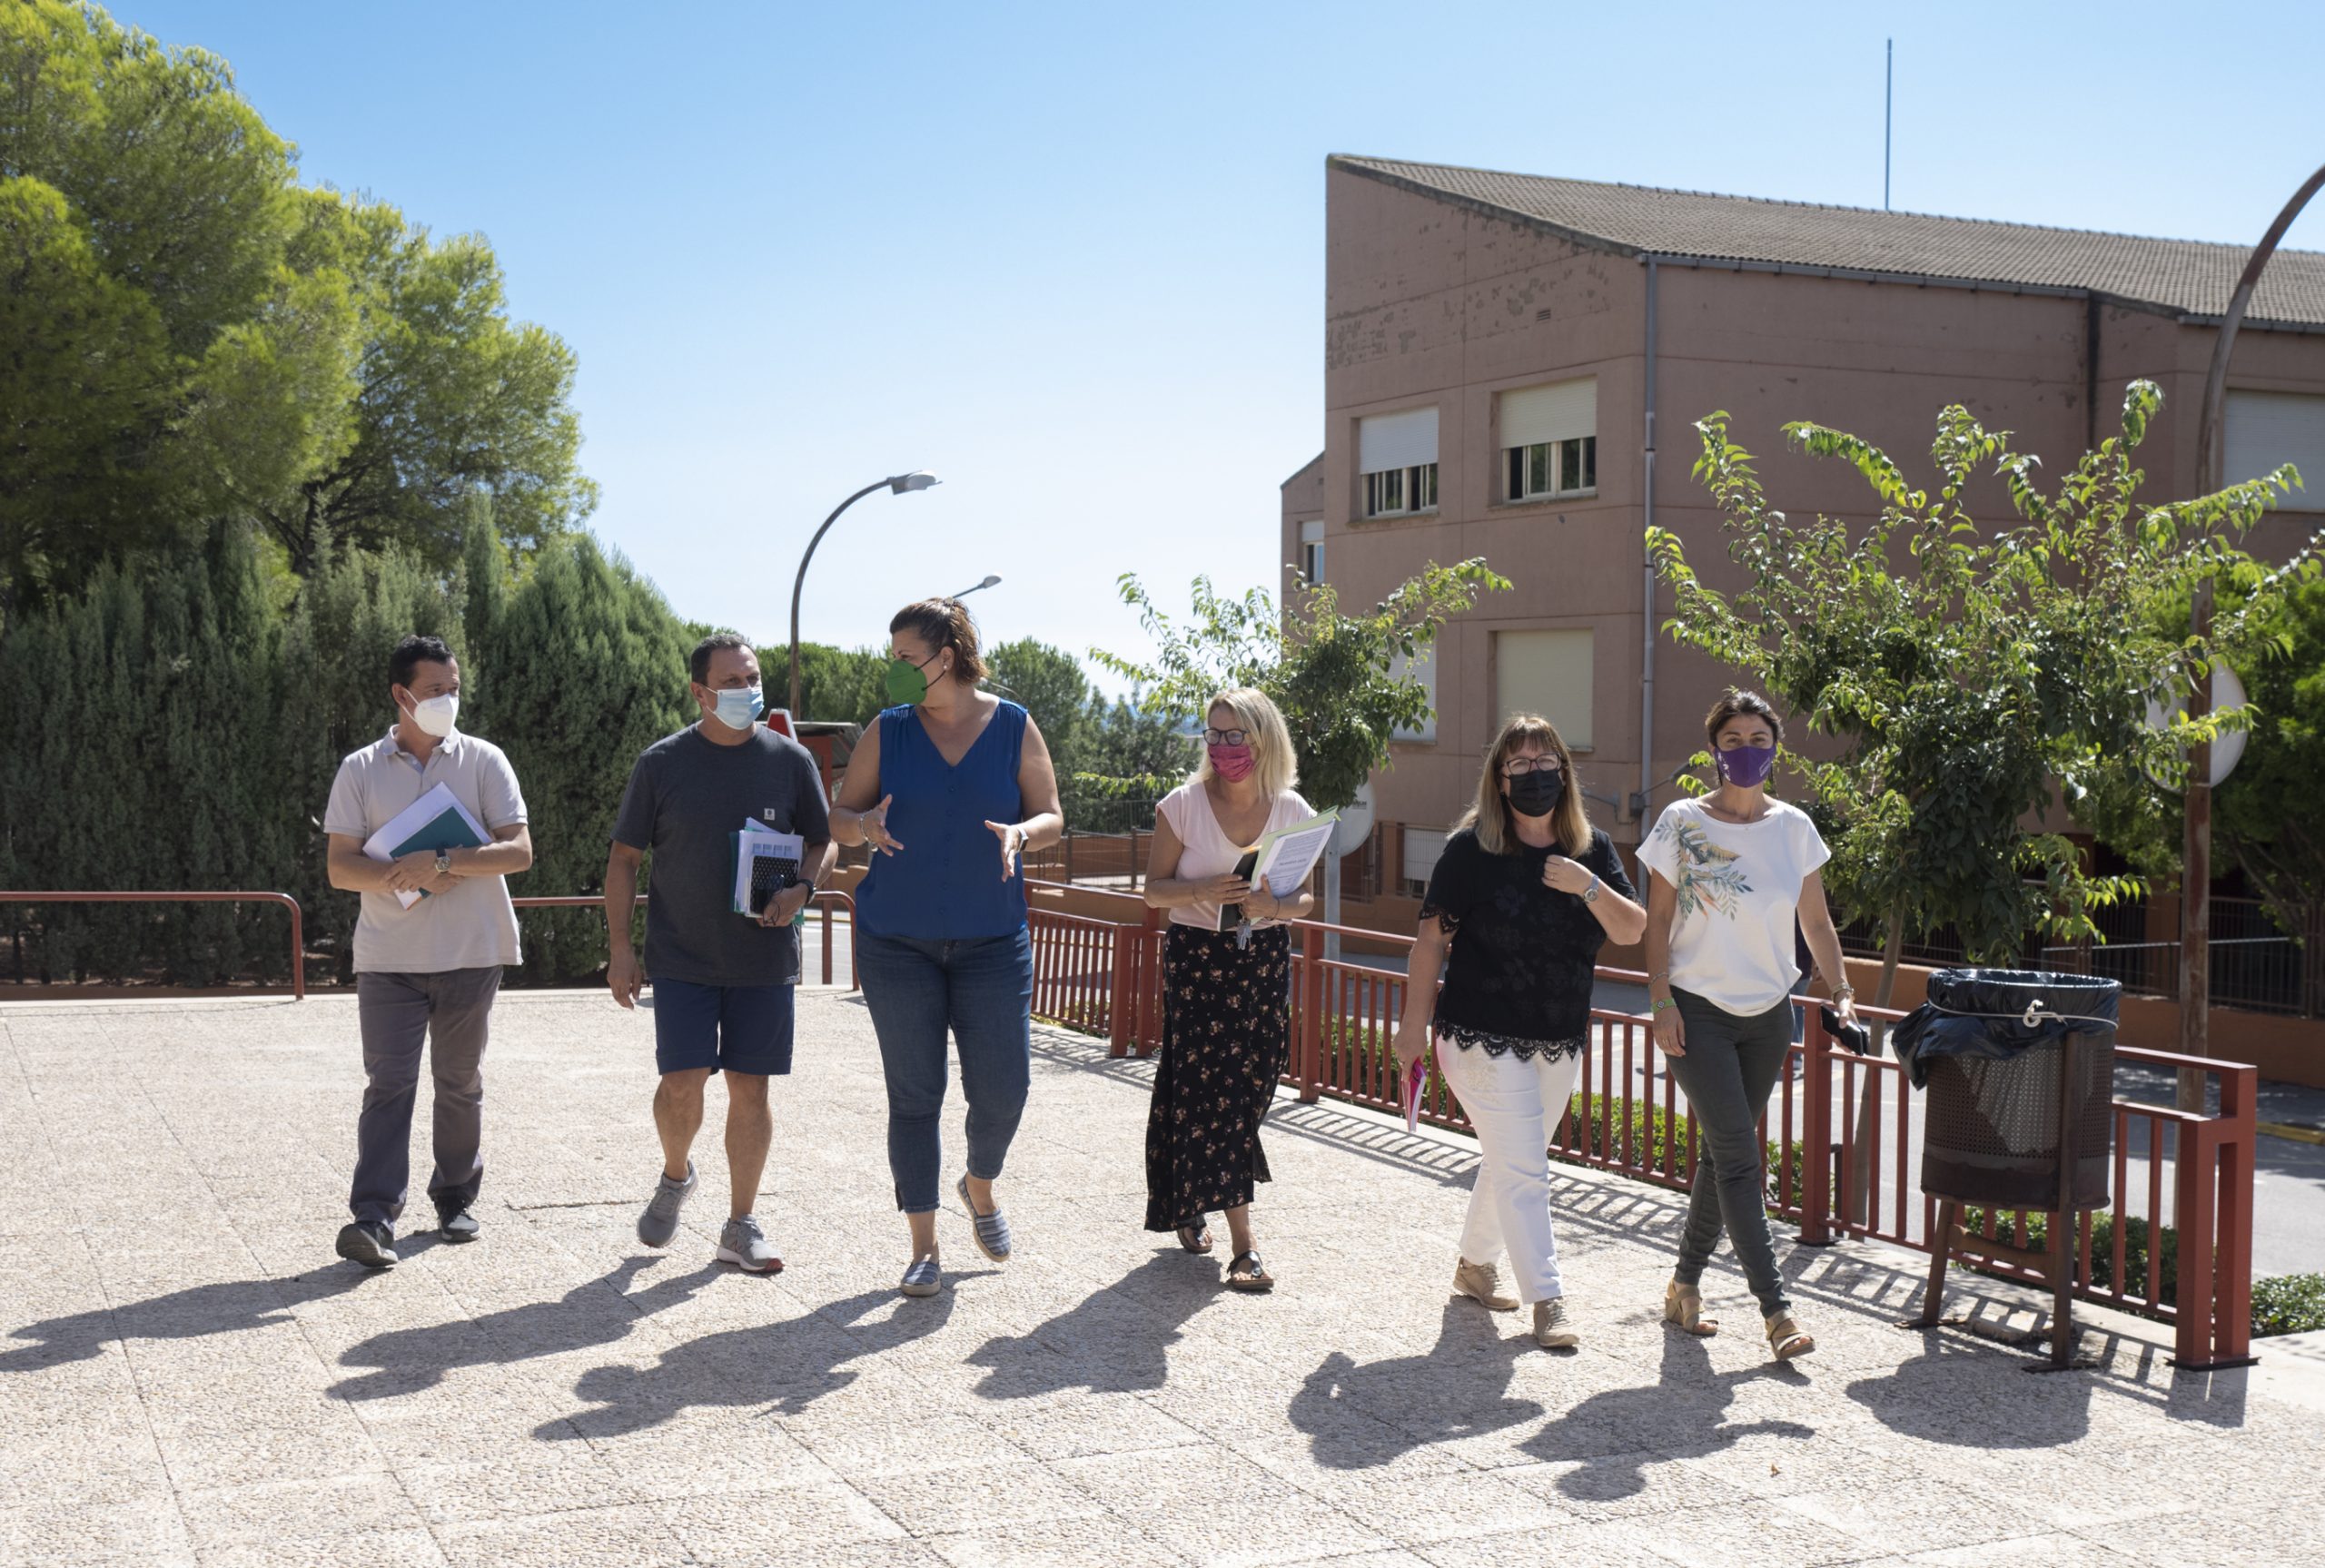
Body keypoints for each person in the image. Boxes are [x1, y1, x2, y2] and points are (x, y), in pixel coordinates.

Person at [829, 597, 1063, 1297]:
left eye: (907, 658)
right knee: (915, 1094)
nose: (895, 670)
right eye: (893, 656)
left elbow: (1052, 814)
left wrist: (1025, 833)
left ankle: (978, 1183)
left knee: (1005, 1088)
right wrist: (863, 825)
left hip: (994, 938)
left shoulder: (1014, 726)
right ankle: (923, 1246)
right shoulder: (887, 730)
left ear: (948, 657)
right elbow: (839, 818)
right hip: (896, 941)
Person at [1391, 715, 1646, 1348]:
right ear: (1499, 781)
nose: (1535, 774)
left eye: (1545, 762)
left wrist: (1586, 884)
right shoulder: (1469, 851)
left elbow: (1633, 929)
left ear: (1564, 772)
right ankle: (1549, 1298)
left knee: (1511, 1159)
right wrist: (1411, 1028)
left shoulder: (1594, 850)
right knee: (1527, 1166)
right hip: (1478, 1035)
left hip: (1559, 1038)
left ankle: (1475, 1267)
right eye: (1520, 765)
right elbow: (1430, 942)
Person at [606, 635, 836, 1274]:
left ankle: (740, 1224)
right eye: (732, 682)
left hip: (762, 960)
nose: (747, 691)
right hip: (681, 956)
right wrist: (621, 949)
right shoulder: (661, 764)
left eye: (753, 677)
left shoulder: (789, 762)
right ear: (700, 692)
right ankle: (677, 1174)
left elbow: (824, 842)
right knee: (681, 1085)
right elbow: (623, 860)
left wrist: (802, 888)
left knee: (751, 1091)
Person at [1640, 689, 1856, 1362]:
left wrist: (1843, 990)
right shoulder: (1681, 822)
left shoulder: (1794, 828)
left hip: (1770, 1014)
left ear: (1776, 748)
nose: (1745, 749)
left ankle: (1683, 1287)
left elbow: (1815, 923)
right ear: (1713, 751)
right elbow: (1657, 924)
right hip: (1696, 1008)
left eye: (1757, 737)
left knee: (1719, 1153)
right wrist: (1660, 1003)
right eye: (1731, 738)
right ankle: (1777, 1309)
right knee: (1739, 1155)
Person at [323, 634, 534, 1269]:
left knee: (460, 1081)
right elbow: (339, 867)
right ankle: (373, 1217)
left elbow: (519, 851)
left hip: (472, 951)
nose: (449, 698)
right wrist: (402, 874)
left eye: (455, 687)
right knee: (388, 1085)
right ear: (401, 694)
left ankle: (454, 1197)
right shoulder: (360, 768)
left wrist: (443, 859)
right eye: (436, 689)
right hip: (388, 957)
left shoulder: (485, 760)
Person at [1140, 689, 1314, 1292]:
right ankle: (1245, 1247)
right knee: (1218, 1093)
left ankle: (1189, 1194)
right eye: (1213, 734)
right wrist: (1201, 892)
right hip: (1198, 961)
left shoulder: (1291, 809)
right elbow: (1153, 890)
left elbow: (1305, 897)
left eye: (1235, 735)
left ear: (1262, 739)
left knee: (1256, 1083)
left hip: (1263, 959)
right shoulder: (1182, 806)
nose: (1222, 747)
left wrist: (1274, 905)